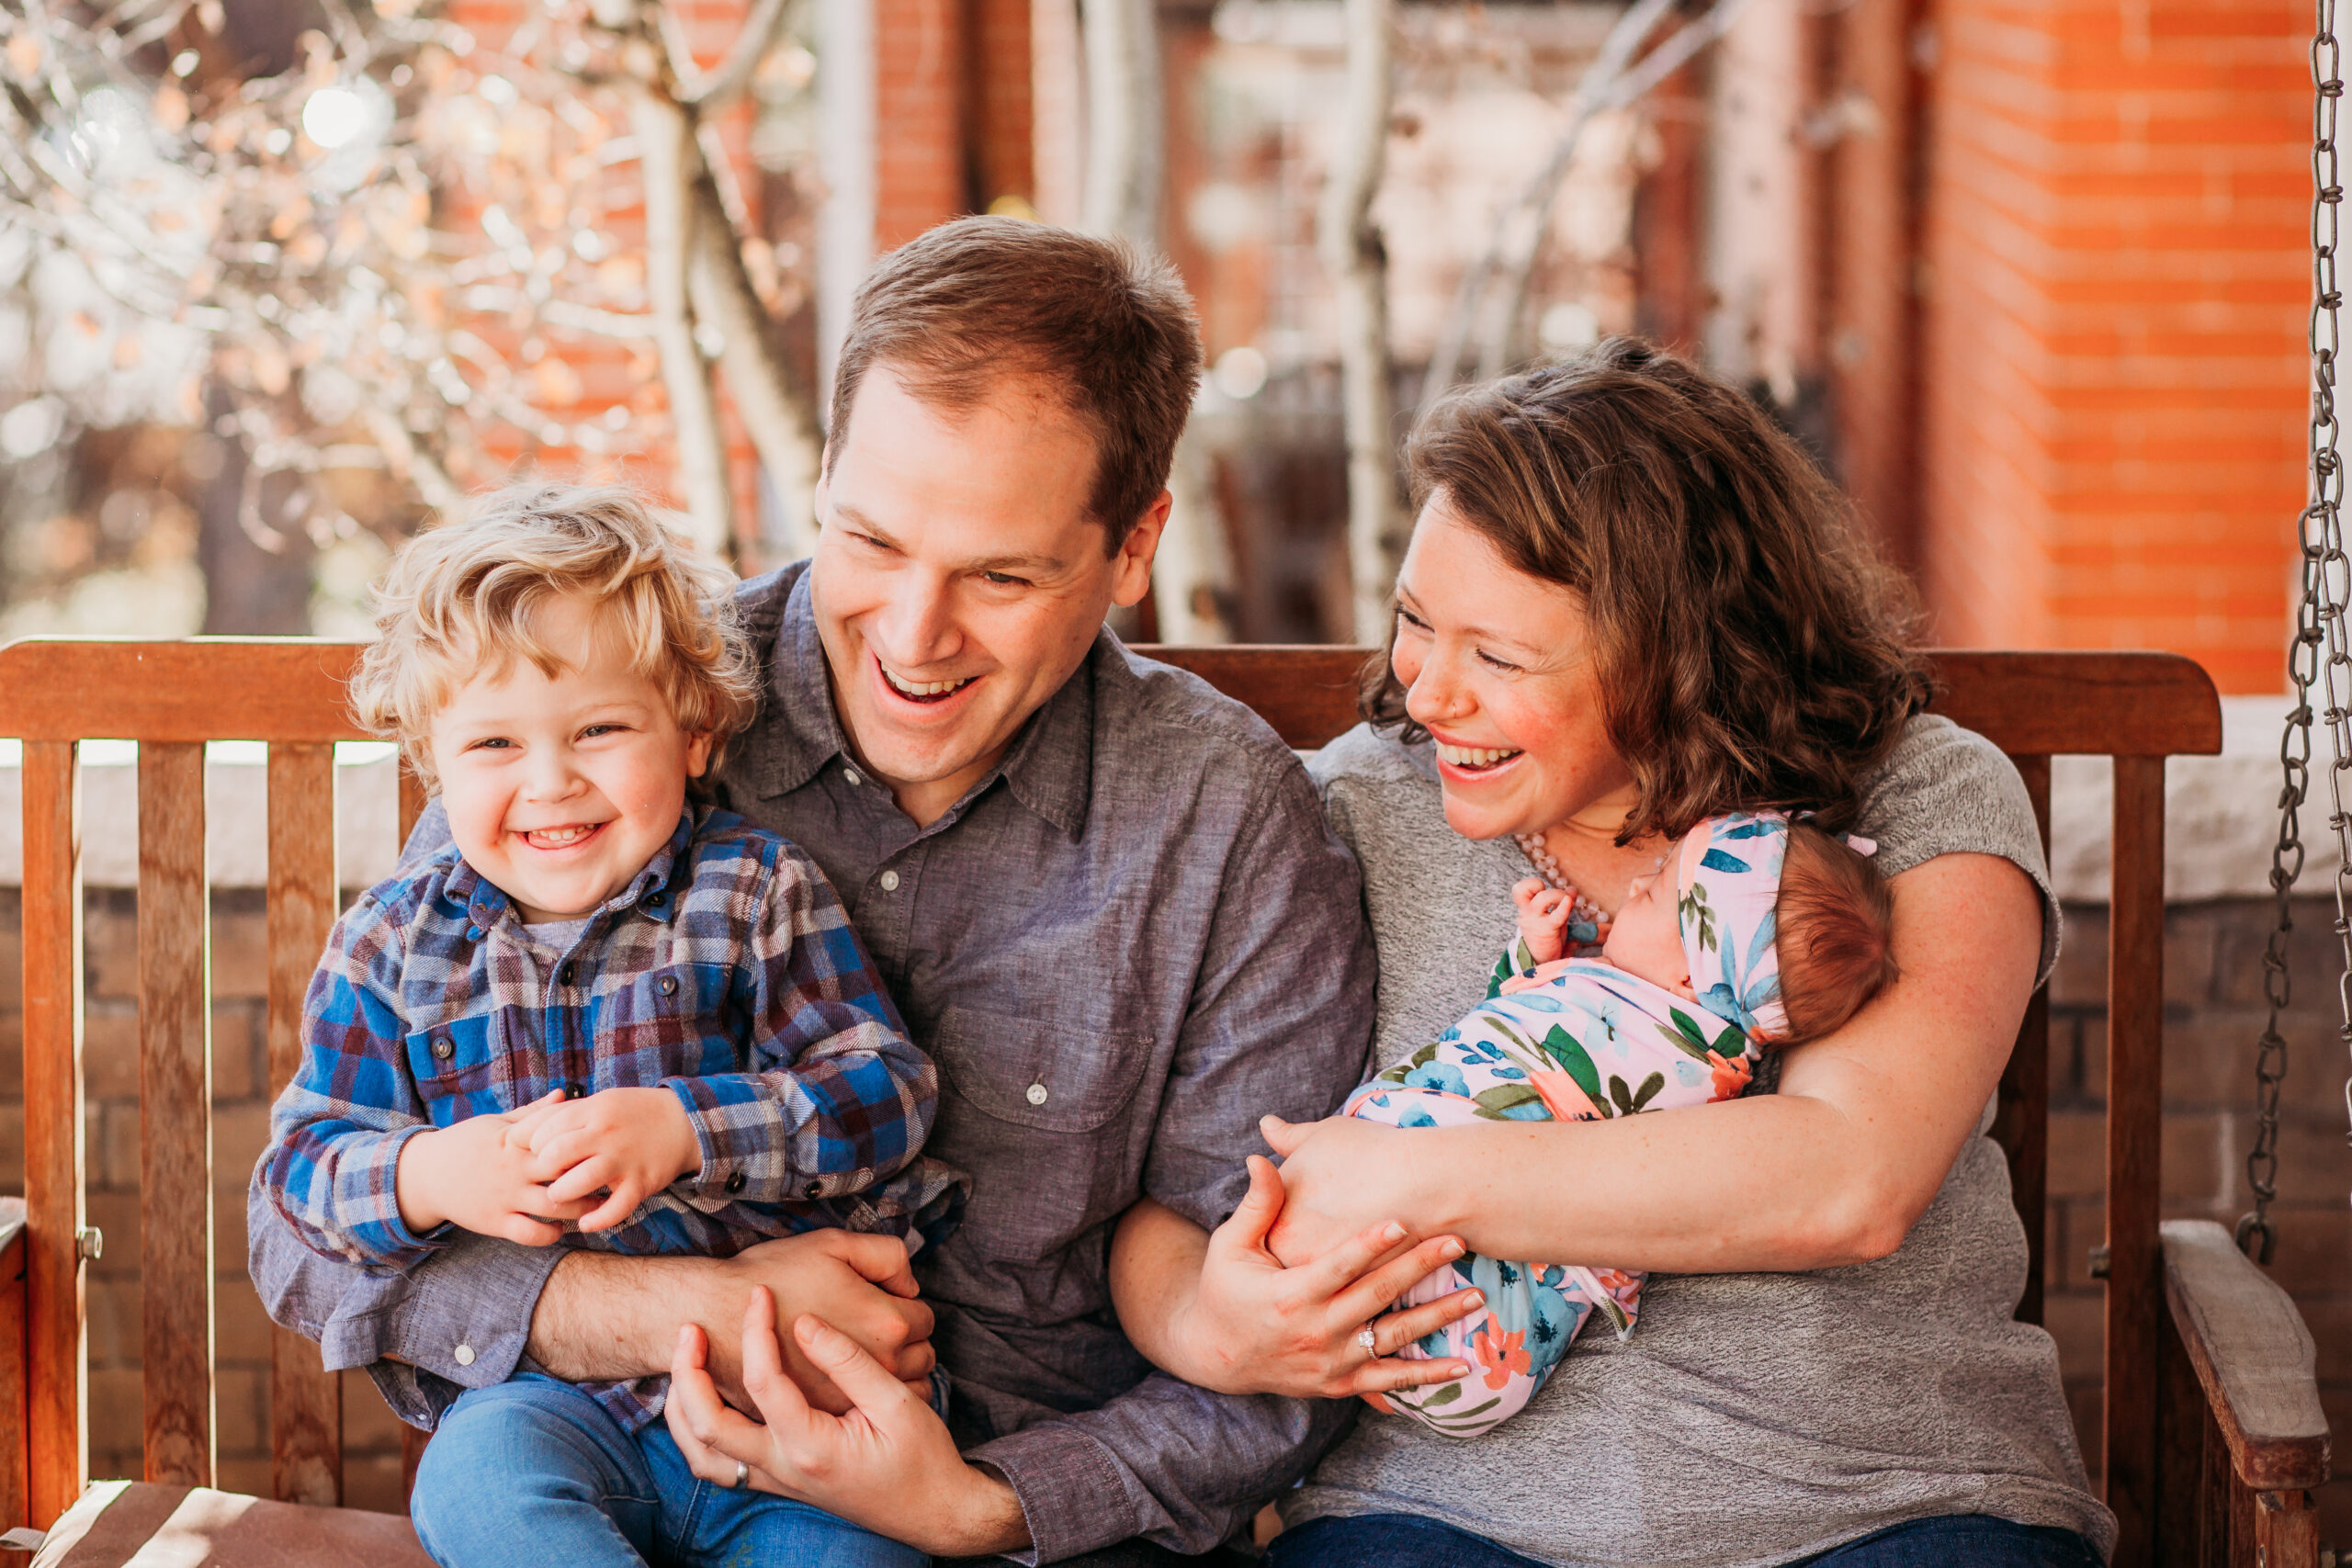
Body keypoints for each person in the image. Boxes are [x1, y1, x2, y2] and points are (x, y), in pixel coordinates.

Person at [251, 217, 1478, 1565]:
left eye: (1000, 575)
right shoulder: (616, 713)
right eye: (871, 539)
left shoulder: (1225, 825)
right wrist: (686, 1310)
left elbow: (1262, 1349)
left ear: (1134, 547)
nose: (911, 633)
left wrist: (978, 1505)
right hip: (598, 1456)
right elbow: (309, 1229)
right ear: (822, 476)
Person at [1106, 340, 2115, 1567]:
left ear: (1677, 658)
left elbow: (1848, 1180)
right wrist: (1215, 1320)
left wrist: (1417, 1174)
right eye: (1418, 622)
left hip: (1883, 1494)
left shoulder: (1913, 800)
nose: (1428, 693)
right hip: (1446, 1509)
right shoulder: (1350, 819)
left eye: (1500, 656)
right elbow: (1156, 1200)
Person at [252, 486, 965, 1567]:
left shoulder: (750, 892)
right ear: (431, 760)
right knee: (476, 1484)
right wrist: (435, 1173)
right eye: (493, 741)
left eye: (598, 728)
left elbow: (886, 1093)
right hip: (548, 1408)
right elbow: (303, 1169)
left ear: (689, 734)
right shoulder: (395, 942)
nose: (550, 782)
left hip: (785, 1411)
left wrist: (688, 1128)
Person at [1335, 812, 1896, 1438]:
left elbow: (1532, 1078)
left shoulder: (1686, 1068)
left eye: (1656, 889)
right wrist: (1538, 955)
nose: (1633, 889)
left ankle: (1424, 1373)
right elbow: (1519, 1017)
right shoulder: (1646, 1004)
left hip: (1486, 1271)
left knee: (1410, 1226)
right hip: (1425, 1207)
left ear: (1690, 976)